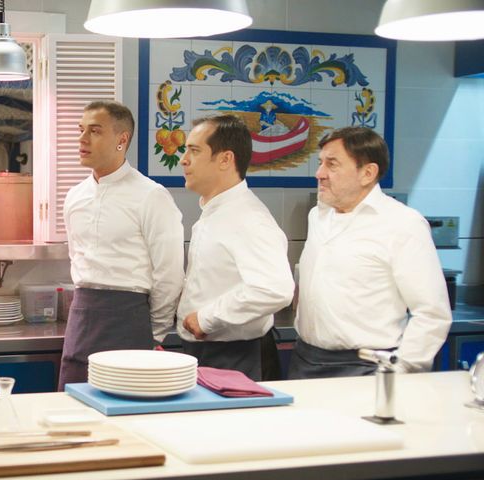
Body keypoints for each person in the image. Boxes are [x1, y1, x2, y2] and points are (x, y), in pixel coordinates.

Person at [289, 127, 452, 378]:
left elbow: (432, 313)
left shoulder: (403, 223)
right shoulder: (318, 215)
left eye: (332, 164)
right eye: (320, 163)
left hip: (365, 366)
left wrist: (398, 370)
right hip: (305, 359)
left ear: (368, 173)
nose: (319, 174)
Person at [60, 100, 184, 388]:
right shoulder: (74, 196)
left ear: (122, 139)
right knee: (73, 406)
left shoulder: (151, 195)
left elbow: (169, 274)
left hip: (129, 319)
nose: (82, 139)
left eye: (94, 131)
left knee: (124, 407)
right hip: (81, 315)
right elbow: (75, 258)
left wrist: (154, 333)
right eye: (81, 130)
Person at [176, 115, 294, 381]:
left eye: (194, 151)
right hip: (208, 352)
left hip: (237, 356)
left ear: (225, 159)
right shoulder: (215, 211)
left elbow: (274, 289)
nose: (184, 160)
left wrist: (206, 318)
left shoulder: (249, 218)